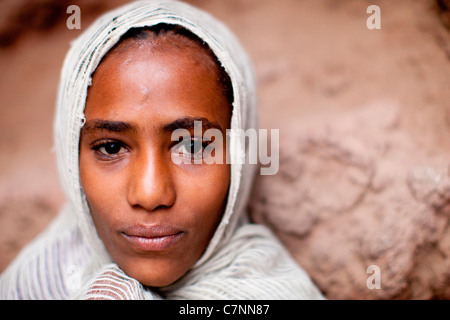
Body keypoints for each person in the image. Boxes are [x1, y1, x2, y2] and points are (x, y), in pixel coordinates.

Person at [0, 0, 324, 299]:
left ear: (238, 155)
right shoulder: (33, 284)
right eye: (111, 147)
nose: (151, 193)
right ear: (72, 161)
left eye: (194, 145)